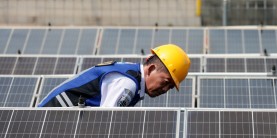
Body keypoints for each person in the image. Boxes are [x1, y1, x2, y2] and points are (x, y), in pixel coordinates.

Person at [38, 44, 190, 107]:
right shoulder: (127, 84)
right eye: (166, 82)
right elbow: (107, 125)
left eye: (170, 87)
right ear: (150, 69)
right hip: (48, 123)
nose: (165, 89)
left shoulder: (131, 73)